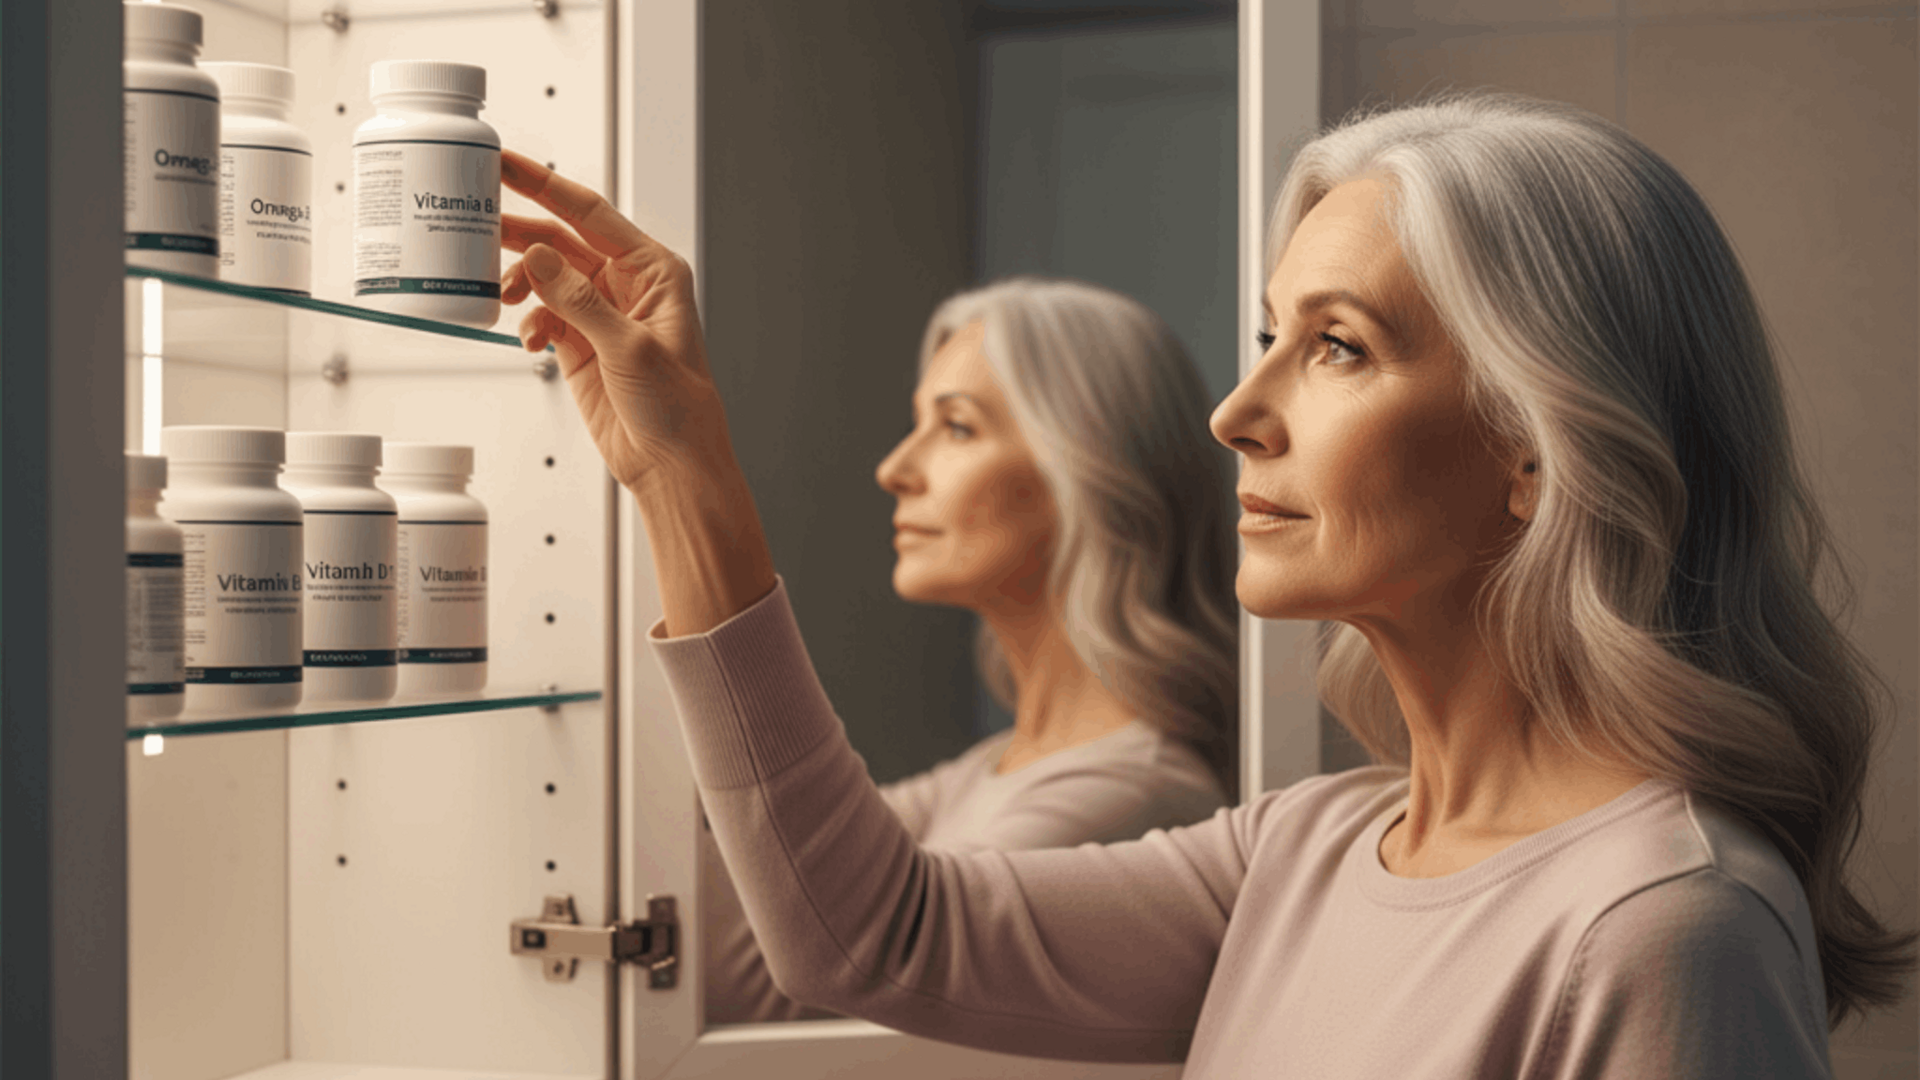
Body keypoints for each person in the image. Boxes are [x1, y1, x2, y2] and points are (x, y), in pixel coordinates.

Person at [498, 89, 1916, 1076]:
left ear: (1537, 451)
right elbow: (868, 932)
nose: (1238, 411)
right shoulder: (1305, 850)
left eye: (1340, 347)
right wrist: (682, 477)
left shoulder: (1661, 927)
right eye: (1265, 336)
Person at [700, 277, 1240, 1023]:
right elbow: (736, 897)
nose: (895, 468)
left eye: (956, 428)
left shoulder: (1140, 794)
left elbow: (790, 968)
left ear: (1087, 472)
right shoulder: (991, 770)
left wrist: (685, 480)